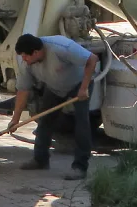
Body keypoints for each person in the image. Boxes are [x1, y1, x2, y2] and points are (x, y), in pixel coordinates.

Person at [7, 32, 97, 180]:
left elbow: (92, 59)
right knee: (45, 121)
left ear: (36, 52)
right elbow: (23, 90)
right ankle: (40, 160)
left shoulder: (61, 47)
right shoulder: (27, 63)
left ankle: (80, 167)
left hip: (79, 85)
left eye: (26, 56)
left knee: (82, 123)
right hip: (55, 87)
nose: (24, 60)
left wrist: (84, 88)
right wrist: (15, 119)